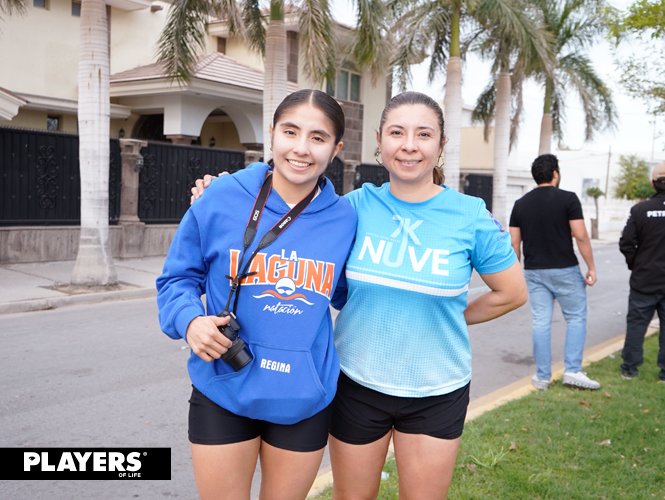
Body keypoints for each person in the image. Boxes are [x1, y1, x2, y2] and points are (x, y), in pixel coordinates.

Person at [193, 91, 527, 500]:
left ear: (441, 146)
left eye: (424, 134)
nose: (409, 145)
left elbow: (511, 293)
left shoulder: (470, 214)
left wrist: (451, 314)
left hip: (437, 388)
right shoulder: (351, 209)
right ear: (379, 141)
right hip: (356, 383)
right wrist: (217, 194)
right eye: (397, 132)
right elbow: (286, 222)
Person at [157, 89, 357, 500]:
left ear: (336, 148)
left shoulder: (346, 220)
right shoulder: (220, 197)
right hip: (223, 386)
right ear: (272, 135)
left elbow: (349, 293)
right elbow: (177, 279)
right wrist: (189, 321)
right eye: (290, 131)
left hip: (303, 398)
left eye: (318, 138)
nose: (301, 149)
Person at [509, 153, 601, 391]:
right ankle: (572, 370)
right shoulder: (568, 199)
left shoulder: (520, 204)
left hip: (533, 272)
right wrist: (591, 267)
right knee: (576, 318)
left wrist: (516, 273)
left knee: (540, 322)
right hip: (565, 269)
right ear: (555, 173)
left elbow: (513, 244)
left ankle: (541, 377)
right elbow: (580, 235)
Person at [618, 161, 665, 382]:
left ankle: (630, 368)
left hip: (643, 280)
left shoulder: (640, 210)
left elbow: (626, 243)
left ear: (652, 183)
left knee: (637, 325)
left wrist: (636, 264)